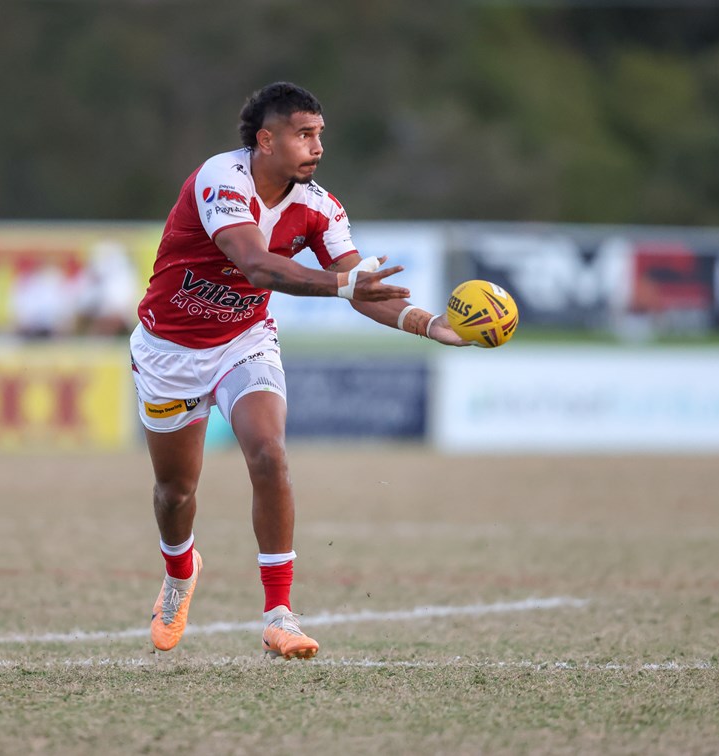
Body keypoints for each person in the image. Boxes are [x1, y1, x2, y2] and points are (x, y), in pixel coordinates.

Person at [131, 81, 468, 661]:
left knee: (269, 452)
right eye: (303, 135)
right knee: (175, 491)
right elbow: (257, 266)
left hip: (245, 341)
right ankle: (180, 571)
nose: (316, 147)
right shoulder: (221, 180)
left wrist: (432, 325)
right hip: (170, 351)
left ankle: (279, 616)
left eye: (320, 135)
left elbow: (362, 290)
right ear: (265, 140)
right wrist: (344, 284)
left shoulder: (320, 206)